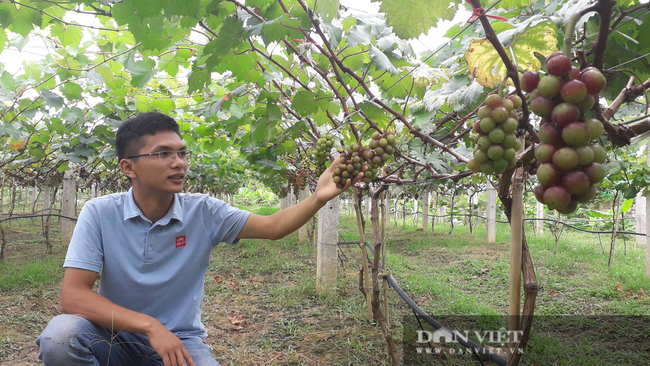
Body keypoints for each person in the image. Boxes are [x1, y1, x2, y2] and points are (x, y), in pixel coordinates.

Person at [36, 112, 363, 366]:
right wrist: (151, 326)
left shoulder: (203, 212)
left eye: (181, 153)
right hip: (113, 337)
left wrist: (318, 198)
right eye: (163, 154)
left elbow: (273, 227)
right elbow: (74, 297)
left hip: (181, 342)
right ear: (128, 167)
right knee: (62, 335)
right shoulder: (99, 212)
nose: (179, 163)